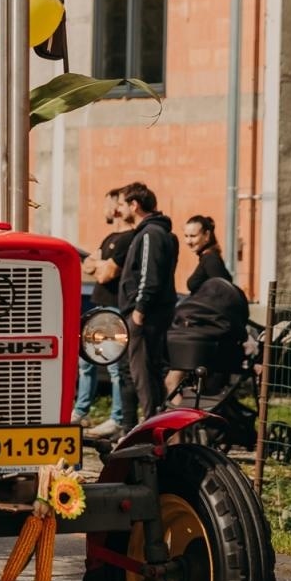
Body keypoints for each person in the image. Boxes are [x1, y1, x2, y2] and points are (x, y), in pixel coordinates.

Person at [75, 187, 138, 439]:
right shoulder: (110, 237)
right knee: (85, 361)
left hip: (115, 309)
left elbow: (104, 273)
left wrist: (100, 266)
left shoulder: (130, 239)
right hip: (98, 307)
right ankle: (80, 411)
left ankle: (117, 418)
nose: (105, 209)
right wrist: (100, 265)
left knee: (114, 367)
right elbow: (91, 264)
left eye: (107, 204)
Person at [117, 181, 179, 424]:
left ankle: (152, 428)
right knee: (144, 373)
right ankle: (142, 426)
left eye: (122, 204)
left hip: (144, 315)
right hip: (151, 314)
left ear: (135, 205)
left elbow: (149, 276)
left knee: (142, 374)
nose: (118, 210)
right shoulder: (155, 232)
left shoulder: (150, 234)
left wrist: (139, 311)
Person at [182, 214, 232, 293]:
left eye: (193, 236)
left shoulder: (211, 259)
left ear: (207, 235)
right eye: (186, 236)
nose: (188, 241)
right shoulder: (207, 257)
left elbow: (223, 292)